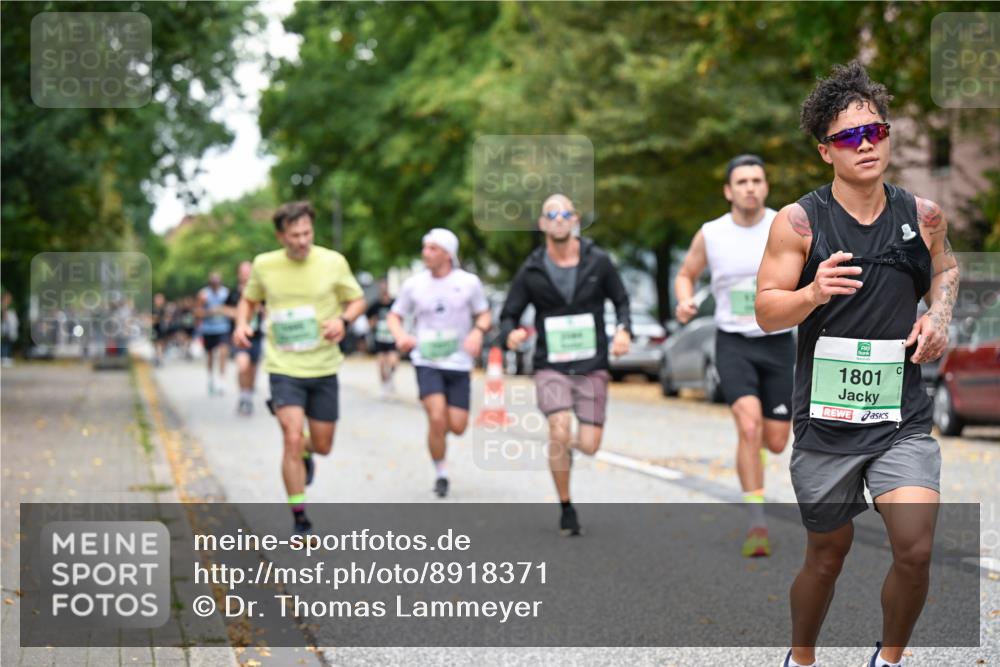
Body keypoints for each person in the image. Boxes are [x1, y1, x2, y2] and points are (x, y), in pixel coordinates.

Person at [755, 62, 959, 667]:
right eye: (848, 136)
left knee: (916, 549)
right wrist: (813, 293)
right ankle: (802, 656)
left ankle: (887, 659)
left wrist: (939, 317)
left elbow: (945, 271)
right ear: (825, 150)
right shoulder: (799, 222)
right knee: (827, 553)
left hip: (902, 418)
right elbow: (767, 311)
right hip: (827, 422)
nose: (865, 144)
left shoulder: (922, 216)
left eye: (875, 131)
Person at [674, 154, 794, 557]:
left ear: (766, 187)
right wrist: (685, 301)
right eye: (741, 181)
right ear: (729, 190)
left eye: (757, 180)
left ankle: (757, 445)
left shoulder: (786, 225)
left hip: (777, 341)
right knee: (747, 426)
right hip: (733, 342)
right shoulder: (711, 234)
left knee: (776, 441)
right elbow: (685, 274)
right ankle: (757, 522)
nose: (749, 187)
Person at [500, 194, 631, 536]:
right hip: (551, 367)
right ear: (542, 223)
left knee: (588, 445)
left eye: (565, 213)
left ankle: (563, 449)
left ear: (575, 220)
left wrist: (623, 331)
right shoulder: (531, 269)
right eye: (551, 214)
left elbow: (621, 300)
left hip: (592, 365)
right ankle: (566, 507)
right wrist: (510, 334)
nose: (558, 219)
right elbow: (509, 314)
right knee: (559, 428)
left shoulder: (598, 261)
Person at [233, 201, 366, 536]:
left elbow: (357, 299)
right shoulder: (265, 265)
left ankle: (309, 451)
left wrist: (343, 320)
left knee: (321, 445)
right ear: (281, 236)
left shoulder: (333, 262)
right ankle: (300, 516)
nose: (303, 240)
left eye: (307, 233)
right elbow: (249, 300)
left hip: (323, 365)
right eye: (295, 235)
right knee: (291, 438)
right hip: (284, 366)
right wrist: (241, 324)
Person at [386, 229, 491, 498]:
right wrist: (401, 336)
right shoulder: (414, 285)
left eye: (433, 248)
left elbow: (484, 314)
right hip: (427, 360)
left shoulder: (468, 283)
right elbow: (395, 316)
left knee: (456, 425)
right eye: (425, 248)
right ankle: (441, 472)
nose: (426, 253)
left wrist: (478, 333)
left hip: (458, 362)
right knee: (436, 416)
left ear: (448, 253)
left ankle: (439, 434)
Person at [225, 261, 264, 415]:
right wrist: (238, 314)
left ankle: (247, 397)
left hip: (256, 335)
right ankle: (243, 395)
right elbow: (225, 308)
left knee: (253, 368)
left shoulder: (261, 291)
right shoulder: (234, 292)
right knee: (243, 365)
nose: (246, 274)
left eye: (249, 271)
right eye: (244, 271)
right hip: (239, 335)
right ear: (239, 274)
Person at [197, 272, 231, 395]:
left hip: (223, 328)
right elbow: (198, 312)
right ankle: (210, 378)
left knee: (223, 353)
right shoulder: (203, 294)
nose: (215, 285)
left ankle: (221, 381)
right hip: (208, 329)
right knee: (210, 355)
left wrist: (223, 310)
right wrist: (209, 312)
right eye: (213, 283)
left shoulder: (226, 293)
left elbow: (231, 309)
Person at [367, 278, 399, 397]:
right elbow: (369, 319)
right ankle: (384, 384)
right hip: (380, 337)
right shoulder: (375, 305)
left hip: (392, 337)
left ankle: (390, 379)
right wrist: (373, 324)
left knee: (393, 361)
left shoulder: (395, 304)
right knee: (381, 363)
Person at [1, 291, 18, 368]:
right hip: (5, 326)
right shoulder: (3, 305)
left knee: (8, 342)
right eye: (8, 297)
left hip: (9, 327)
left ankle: (7, 357)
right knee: (5, 343)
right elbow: (4, 316)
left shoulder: (8, 306)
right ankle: (4, 357)